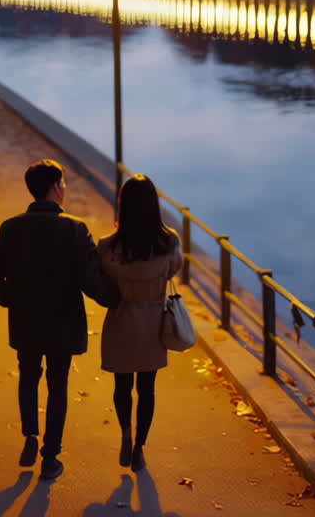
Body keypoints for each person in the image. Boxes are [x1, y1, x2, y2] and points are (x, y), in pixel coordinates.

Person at [0, 159, 119, 481]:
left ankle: (30, 434)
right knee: (58, 385)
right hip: (63, 323)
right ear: (56, 186)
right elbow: (91, 281)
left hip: (26, 321)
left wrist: (12, 300)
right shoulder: (75, 229)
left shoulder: (11, 227)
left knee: (28, 375)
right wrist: (117, 299)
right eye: (64, 184)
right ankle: (51, 456)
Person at [97, 174, 183, 472]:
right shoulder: (169, 242)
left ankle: (124, 430)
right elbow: (174, 269)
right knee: (147, 387)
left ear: (123, 207)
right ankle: (139, 447)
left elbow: (100, 276)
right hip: (153, 323)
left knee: (122, 384)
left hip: (121, 320)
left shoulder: (108, 248)